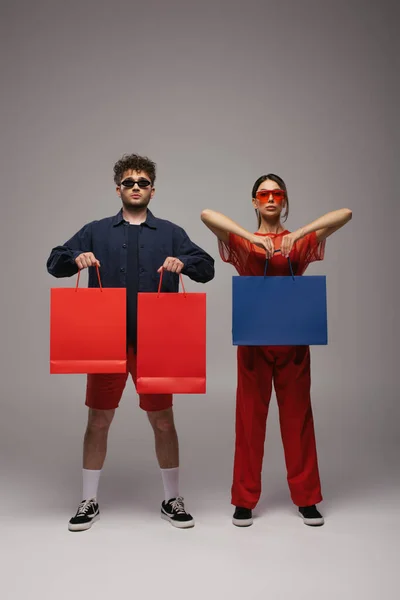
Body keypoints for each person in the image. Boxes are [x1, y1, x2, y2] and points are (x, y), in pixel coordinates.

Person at [47, 153, 214, 531]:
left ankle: (172, 498)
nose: (135, 187)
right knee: (98, 420)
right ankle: (88, 500)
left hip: (157, 341)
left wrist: (183, 264)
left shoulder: (171, 232)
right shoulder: (95, 230)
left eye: (142, 182)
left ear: (153, 190)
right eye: (128, 182)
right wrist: (76, 258)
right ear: (118, 188)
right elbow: (54, 261)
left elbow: (207, 268)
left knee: (164, 422)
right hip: (106, 340)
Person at [201, 173, 352, 527]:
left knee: (298, 420)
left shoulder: (296, 244)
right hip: (254, 341)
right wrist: (250, 235)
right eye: (263, 194)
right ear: (255, 201)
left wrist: (297, 233)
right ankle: (244, 500)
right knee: (249, 420)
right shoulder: (244, 244)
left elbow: (344, 213)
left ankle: (307, 498)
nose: (270, 199)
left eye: (277, 193)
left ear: (284, 201)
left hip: (294, 341)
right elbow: (207, 214)